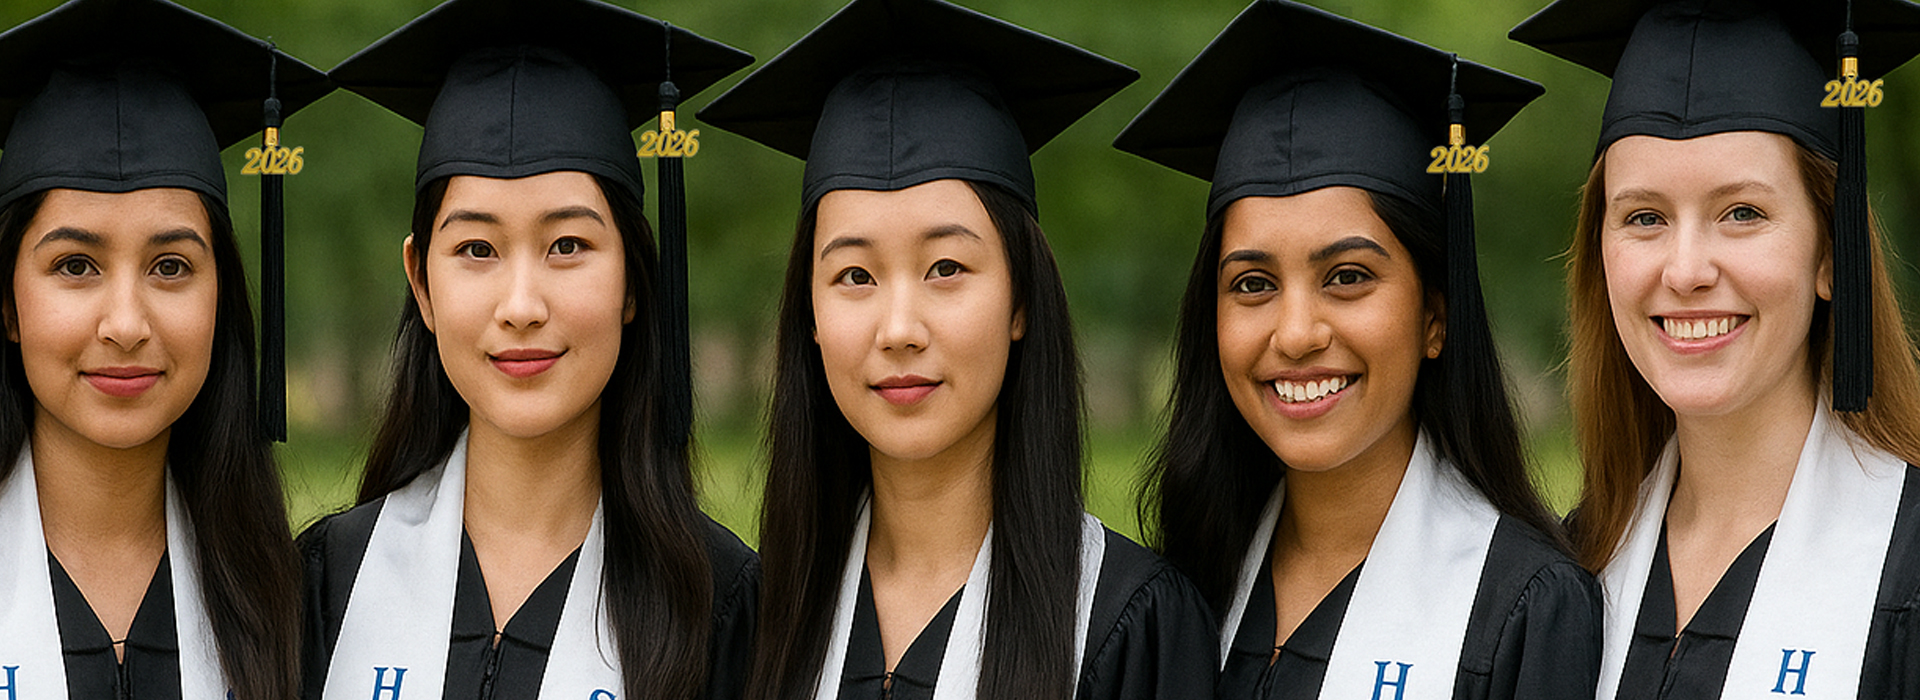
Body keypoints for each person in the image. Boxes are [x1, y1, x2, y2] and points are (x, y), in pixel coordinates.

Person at [697, 0, 1217, 698]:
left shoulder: (1129, 625)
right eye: (855, 275)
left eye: (946, 268)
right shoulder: (757, 623)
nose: (899, 327)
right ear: (809, 318)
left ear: (1021, 302)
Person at [1116, 2, 1601, 698]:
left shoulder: (1525, 610)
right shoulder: (1179, 594)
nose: (1296, 333)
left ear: (1435, 316)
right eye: (1252, 284)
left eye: (1348, 277)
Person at [297, 1, 758, 699]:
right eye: (476, 249)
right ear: (421, 283)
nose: (521, 307)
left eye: (567, 246)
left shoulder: (723, 609)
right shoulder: (324, 584)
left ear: (634, 280)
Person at [1512, 0, 1920, 696]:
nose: (1686, 270)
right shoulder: (1561, 574)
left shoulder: (1905, 566)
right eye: (1645, 217)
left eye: (1742, 213)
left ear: (1831, 255)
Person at [0, 0, 329, 697]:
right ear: (7, 305)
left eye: (171, 266)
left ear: (222, 299)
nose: (126, 323)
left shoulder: (303, 601)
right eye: (75, 266)